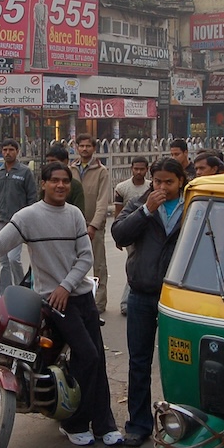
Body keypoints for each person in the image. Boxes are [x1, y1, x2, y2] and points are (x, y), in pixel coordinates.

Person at [0, 162, 123, 447]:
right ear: (43, 184)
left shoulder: (75, 216)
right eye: (54, 181)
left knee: (96, 360)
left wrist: (65, 286)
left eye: (65, 182)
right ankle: (74, 422)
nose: (60, 186)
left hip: (78, 295)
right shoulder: (28, 216)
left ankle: (104, 423)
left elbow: (85, 258)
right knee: (88, 355)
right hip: (53, 301)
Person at [110, 157, 187, 447]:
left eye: (169, 182)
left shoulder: (192, 206)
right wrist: (146, 210)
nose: (163, 187)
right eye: (158, 182)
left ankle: (181, 421)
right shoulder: (140, 205)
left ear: (181, 181)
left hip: (178, 297)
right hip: (141, 293)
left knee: (179, 362)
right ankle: (138, 423)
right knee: (139, 361)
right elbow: (119, 233)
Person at [0, 139, 38, 292]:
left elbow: (32, 198)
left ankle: (22, 289)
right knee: (3, 261)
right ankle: (4, 295)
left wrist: (31, 222)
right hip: (2, 222)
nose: (8, 153)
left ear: (17, 151)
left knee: (13, 258)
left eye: (11, 150)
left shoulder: (25, 172)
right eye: (5, 150)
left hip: (19, 223)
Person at [73, 134, 113, 313]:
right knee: (74, 264)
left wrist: (94, 225)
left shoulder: (101, 171)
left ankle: (99, 302)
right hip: (73, 224)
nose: (84, 149)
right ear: (77, 148)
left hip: (94, 226)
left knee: (98, 264)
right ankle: (77, 300)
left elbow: (102, 201)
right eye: (81, 146)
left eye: (88, 146)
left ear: (94, 148)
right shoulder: (71, 169)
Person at [113, 156, 152, 317]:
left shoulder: (151, 186)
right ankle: (126, 302)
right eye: (136, 169)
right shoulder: (122, 188)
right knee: (133, 265)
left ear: (147, 169)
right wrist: (118, 237)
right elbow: (119, 213)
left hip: (147, 233)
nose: (138, 172)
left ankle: (128, 301)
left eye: (142, 169)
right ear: (131, 168)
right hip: (130, 231)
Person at [45, 144, 85, 210]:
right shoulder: (46, 183)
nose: (50, 164)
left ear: (65, 161)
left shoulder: (75, 186)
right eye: (48, 161)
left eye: (53, 161)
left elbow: (79, 212)